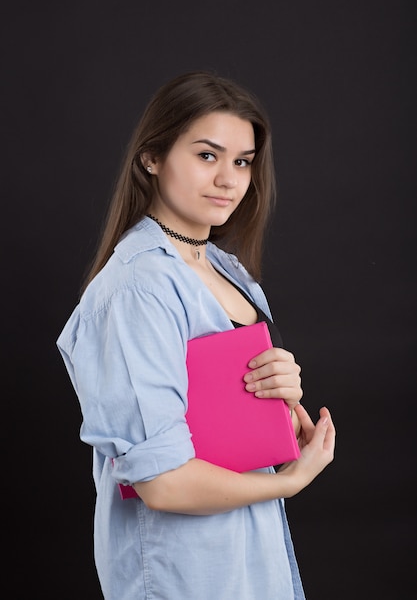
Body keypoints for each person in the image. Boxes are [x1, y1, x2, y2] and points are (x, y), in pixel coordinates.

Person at [57, 70, 335, 600]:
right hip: (183, 570)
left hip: (252, 552)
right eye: (207, 155)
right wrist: (290, 481)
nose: (229, 179)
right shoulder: (138, 286)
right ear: (152, 158)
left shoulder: (229, 270)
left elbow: (219, 427)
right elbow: (161, 483)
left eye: (242, 161)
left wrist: (280, 409)